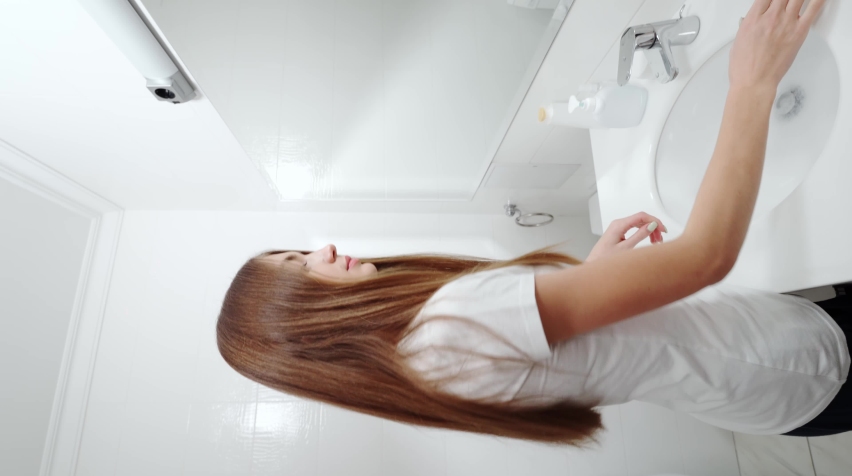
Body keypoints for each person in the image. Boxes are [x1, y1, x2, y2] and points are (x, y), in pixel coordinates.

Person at [218, 0, 846, 445]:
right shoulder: (447, 331)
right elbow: (707, 254)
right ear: (304, 324)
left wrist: (594, 274)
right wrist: (753, 82)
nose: (321, 249)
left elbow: (572, 357)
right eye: (301, 266)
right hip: (803, 365)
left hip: (767, 381)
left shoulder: (424, 351)